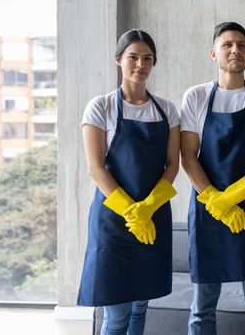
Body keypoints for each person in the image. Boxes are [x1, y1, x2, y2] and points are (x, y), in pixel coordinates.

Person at [180, 22, 245, 335]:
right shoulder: (196, 97)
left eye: (241, 45)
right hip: (209, 213)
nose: (235, 50)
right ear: (214, 53)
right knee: (202, 309)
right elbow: (188, 156)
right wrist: (216, 200)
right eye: (227, 45)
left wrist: (232, 197)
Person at [77, 29, 180, 335]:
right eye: (133, 57)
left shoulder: (167, 109)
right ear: (118, 60)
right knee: (117, 314)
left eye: (147, 58)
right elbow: (96, 168)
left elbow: (172, 165)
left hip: (154, 216)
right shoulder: (100, 107)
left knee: (140, 308)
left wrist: (148, 208)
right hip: (114, 221)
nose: (140, 64)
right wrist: (132, 212)